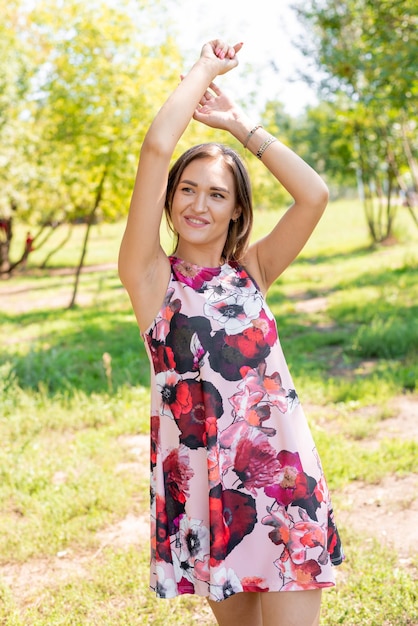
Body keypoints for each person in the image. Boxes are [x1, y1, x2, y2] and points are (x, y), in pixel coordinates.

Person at [118, 39, 344, 626]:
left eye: (217, 194)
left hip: (285, 479)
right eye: (187, 190)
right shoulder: (150, 280)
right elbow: (155, 148)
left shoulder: (253, 273)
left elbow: (313, 195)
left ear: (237, 211)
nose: (199, 204)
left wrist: (240, 125)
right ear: (169, 204)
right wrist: (201, 72)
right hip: (211, 496)